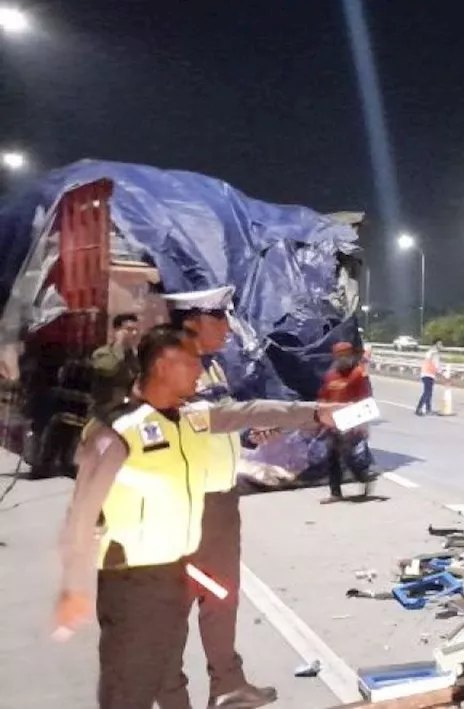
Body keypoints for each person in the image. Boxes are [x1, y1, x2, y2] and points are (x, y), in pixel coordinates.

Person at [54, 325, 341, 709]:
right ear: (163, 366)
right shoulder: (116, 431)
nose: (199, 371)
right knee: (129, 687)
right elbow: (81, 514)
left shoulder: (191, 418)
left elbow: (250, 412)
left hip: (173, 571)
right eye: (191, 363)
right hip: (131, 582)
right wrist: (74, 588)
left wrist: (317, 413)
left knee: (163, 668)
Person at [162, 285, 275, 709]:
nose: (228, 327)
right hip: (189, 507)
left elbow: (214, 424)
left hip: (221, 501)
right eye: (219, 318)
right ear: (193, 321)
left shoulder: (211, 368)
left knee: (221, 598)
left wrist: (248, 433)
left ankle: (227, 684)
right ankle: (173, 697)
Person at [319, 341, 375, 501]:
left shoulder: (358, 374)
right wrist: (321, 418)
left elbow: (365, 399)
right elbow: (324, 397)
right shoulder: (330, 376)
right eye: (339, 356)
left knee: (349, 456)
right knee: (332, 457)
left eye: (345, 355)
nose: (342, 359)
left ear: (351, 356)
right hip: (333, 422)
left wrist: (361, 424)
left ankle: (364, 477)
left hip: (352, 422)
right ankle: (335, 493)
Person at [89, 313, 142, 422]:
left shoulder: (133, 356)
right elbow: (109, 369)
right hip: (105, 411)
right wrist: (119, 344)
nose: (134, 334)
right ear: (117, 331)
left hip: (128, 408)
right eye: (129, 330)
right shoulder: (102, 353)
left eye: (136, 330)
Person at [415, 341, 443, 416]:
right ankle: (419, 408)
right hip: (429, 374)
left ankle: (428, 409)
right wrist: (442, 374)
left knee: (428, 392)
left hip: (425, 373)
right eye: (440, 344)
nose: (441, 346)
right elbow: (437, 365)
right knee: (427, 392)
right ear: (436, 344)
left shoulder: (430, 352)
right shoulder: (435, 353)